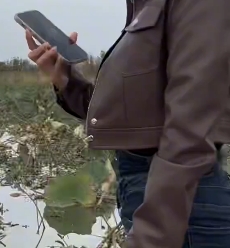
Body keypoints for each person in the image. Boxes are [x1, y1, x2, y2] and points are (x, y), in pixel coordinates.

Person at [24, 0, 230, 247]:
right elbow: (127, 115)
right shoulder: (143, 7)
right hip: (151, 195)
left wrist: (152, 234)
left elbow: (192, 125)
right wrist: (65, 80)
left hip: (182, 205)